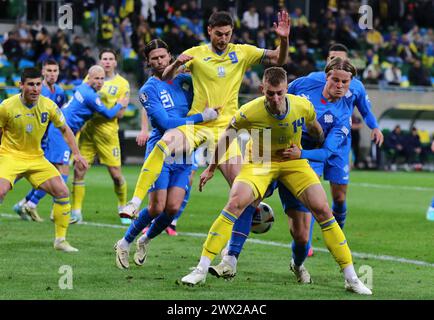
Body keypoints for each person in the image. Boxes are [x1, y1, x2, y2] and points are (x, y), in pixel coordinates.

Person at [181, 67, 371, 295]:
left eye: (280, 93)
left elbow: (315, 129)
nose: (275, 98)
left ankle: (348, 276)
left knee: (320, 212)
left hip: (294, 163)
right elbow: (227, 136)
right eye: (270, 93)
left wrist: (311, 148)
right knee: (235, 203)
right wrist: (211, 168)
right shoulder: (249, 111)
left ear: (286, 89)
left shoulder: (302, 106)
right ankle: (204, 268)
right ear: (263, 90)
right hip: (260, 161)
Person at [119, 10, 290, 223]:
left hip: (227, 129)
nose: (223, 39)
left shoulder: (242, 52)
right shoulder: (196, 53)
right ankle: (135, 202)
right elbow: (166, 76)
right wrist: (175, 63)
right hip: (198, 124)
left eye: (227, 34)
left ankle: (230, 251)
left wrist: (283, 39)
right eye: (219, 34)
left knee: (243, 194)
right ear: (209, 31)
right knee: (163, 145)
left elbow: (278, 59)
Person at [213, 58, 355, 286]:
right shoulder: (304, 85)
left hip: (302, 158)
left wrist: (303, 153)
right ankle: (230, 258)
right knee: (247, 199)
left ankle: (298, 264)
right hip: (266, 148)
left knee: (301, 232)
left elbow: (325, 148)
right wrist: (284, 40)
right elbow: (275, 83)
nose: (339, 85)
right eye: (335, 79)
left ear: (350, 83)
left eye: (345, 82)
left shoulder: (342, 112)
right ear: (326, 76)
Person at [114, 39, 218, 269]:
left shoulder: (183, 81)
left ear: (170, 56)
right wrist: (202, 117)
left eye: (163, 56)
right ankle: (124, 242)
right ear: (148, 62)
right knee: (156, 207)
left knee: (172, 209)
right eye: (154, 58)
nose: (160, 61)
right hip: (161, 148)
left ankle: (145, 239)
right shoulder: (147, 90)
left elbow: (207, 82)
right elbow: (165, 122)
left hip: (184, 151)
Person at [0, 67, 88, 252]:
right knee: (0, 191)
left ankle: (60, 241)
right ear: (21, 85)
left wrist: (77, 154)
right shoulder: (6, 106)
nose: (35, 89)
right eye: (30, 84)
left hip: (36, 158)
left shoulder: (48, 105)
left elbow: (65, 129)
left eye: (38, 84)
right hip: (10, 156)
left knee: (62, 191)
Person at [73, 49, 133, 224]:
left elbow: (120, 114)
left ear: (115, 62)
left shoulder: (123, 84)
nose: (107, 62)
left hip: (108, 134)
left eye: (110, 59)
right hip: (89, 131)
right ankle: (76, 212)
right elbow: (83, 98)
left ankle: (123, 207)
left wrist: (101, 106)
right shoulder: (90, 77)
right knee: (79, 170)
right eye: (104, 59)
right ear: (100, 61)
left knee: (115, 174)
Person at [13, 59, 67, 222]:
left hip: (49, 138)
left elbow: (60, 115)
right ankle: (32, 205)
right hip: (31, 141)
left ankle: (27, 203)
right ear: (43, 72)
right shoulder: (36, 91)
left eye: (55, 70)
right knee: (23, 174)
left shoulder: (60, 92)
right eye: (49, 71)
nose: (52, 74)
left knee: (52, 173)